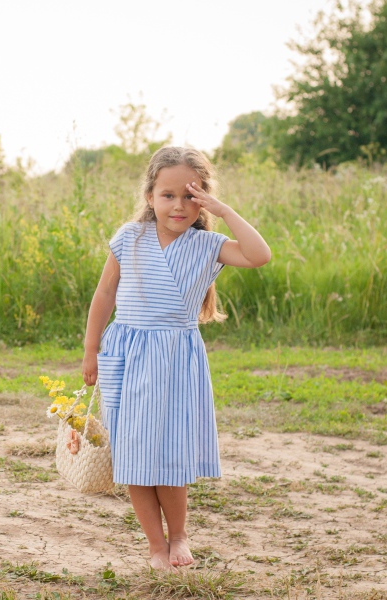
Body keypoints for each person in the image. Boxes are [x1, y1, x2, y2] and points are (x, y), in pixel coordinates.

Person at [81, 146, 271, 571]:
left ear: (203, 198)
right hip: (127, 357)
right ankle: (154, 545)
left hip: (175, 362)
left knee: (170, 453)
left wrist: (222, 210)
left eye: (191, 195)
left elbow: (260, 255)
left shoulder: (208, 244)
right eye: (168, 195)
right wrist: (91, 349)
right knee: (133, 454)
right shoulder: (129, 237)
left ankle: (179, 535)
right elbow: (104, 294)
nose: (179, 205)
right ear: (150, 196)